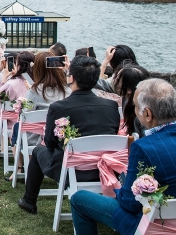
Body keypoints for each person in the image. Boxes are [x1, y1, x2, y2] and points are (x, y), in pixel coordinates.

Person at [70, 79, 176, 235]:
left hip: (159, 227)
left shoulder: (144, 147)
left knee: (79, 198)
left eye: (136, 107)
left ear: (148, 114)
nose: (135, 111)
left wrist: (119, 190)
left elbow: (130, 204)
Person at [17, 56, 120, 215]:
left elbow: (50, 143)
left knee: (38, 151)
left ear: (71, 77)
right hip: (105, 169)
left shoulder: (59, 107)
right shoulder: (111, 106)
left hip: (71, 169)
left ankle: (29, 201)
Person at [113, 63, 150, 138]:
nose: (115, 80)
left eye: (118, 79)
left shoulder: (142, 115)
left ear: (129, 90)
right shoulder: (126, 98)